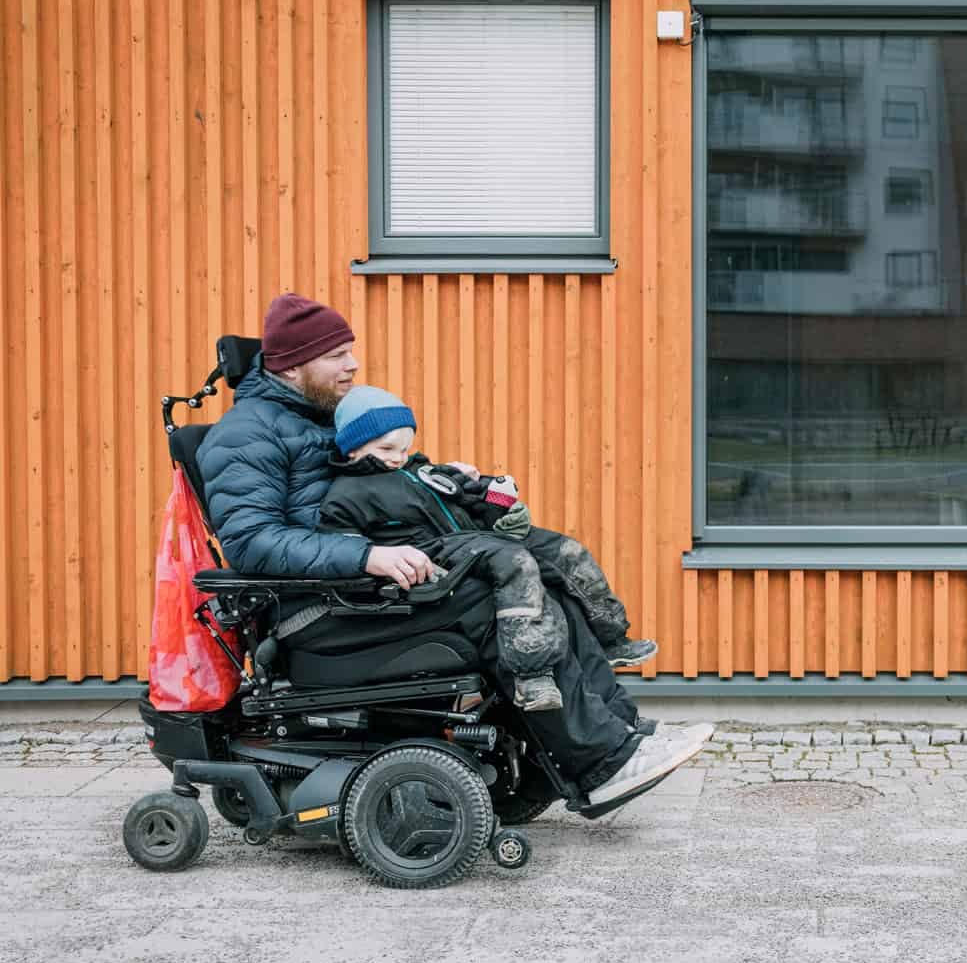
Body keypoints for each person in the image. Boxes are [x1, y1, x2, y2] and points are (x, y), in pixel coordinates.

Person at [197, 293, 707, 810]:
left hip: (374, 592)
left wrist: (438, 479)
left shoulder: (328, 417)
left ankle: (621, 729)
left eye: (350, 351)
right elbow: (252, 542)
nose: (352, 364)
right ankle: (603, 763)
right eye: (336, 356)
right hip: (322, 612)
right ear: (291, 366)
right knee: (502, 604)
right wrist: (365, 556)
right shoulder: (244, 435)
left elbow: (384, 481)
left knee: (544, 575)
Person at [317, 384, 658, 714]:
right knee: (514, 563)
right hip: (433, 553)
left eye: (405, 449)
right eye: (387, 449)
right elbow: (344, 547)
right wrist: (374, 559)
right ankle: (532, 674)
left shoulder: (422, 472)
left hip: (474, 536)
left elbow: (478, 499)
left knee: (565, 550)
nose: (399, 458)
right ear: (354, 449)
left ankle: (611, 636)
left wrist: (500, 498)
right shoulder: (348, 493)